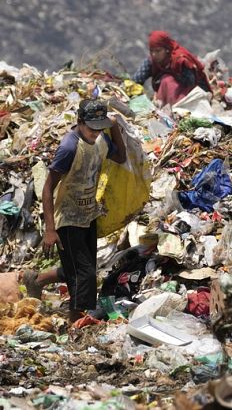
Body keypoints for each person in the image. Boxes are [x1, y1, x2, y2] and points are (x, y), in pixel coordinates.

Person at [24, 99, 126, 324]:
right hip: (68, 217)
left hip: (88, 213)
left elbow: (121, 157)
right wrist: (50, 230)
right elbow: (48, 187)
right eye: (91, 128)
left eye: (100, 128)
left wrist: (115, 127)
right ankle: (74, 325)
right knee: (85, 275)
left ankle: (38, 280)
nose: (95, 133)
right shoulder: (69, 148)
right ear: (80, 122)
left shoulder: (101, 139)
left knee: (84, 266)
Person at [131, 30, 211, 106]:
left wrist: (171, 74)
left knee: (167, 80)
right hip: (165, 100)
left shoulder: (180, 60)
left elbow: (190, 82)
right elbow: (137, 80)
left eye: (158, 51)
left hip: (190, 98)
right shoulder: (152, 62)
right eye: (152, 51)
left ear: (166, 50)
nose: (154, 54)